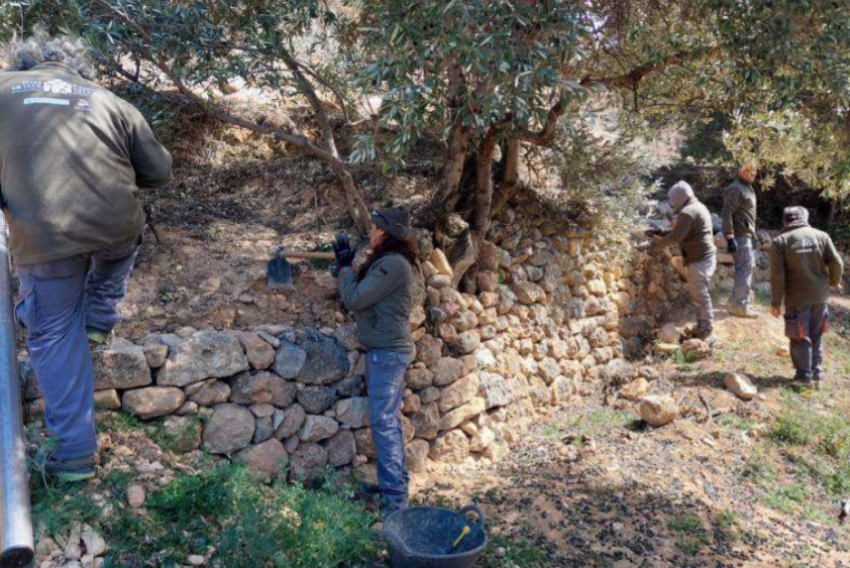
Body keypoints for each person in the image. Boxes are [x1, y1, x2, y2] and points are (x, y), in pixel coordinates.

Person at [0, 32, 172, 481]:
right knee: (117, 251)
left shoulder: (2, 90)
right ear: (73, 66)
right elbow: (159, 171)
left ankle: (74, 457)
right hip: (117, 228)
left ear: (23, 62)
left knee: (54, 332)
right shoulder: (109, 100)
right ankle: (97, 318)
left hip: (47, 240)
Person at [333, 206, 418, 516]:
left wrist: (344, 270)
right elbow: (361, 293)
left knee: (384, 425)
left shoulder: (393, 265)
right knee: (387, 424)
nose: (369, 232)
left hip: (387, 354)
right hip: (385, 353)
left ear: (385, 232)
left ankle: (395, 504)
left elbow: (354, 299)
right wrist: (345, 271)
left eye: (373, 228)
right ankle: (391, 489)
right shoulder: (389, 263)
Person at [769, 206, 844, 386]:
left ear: (785, 221)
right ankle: (816, 375)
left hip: (797, 298)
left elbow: (778, 276)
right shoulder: (821, 236)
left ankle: (803, 378)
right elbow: (837, 262)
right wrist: (833, 282)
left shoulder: (780, 241)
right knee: (816, 334)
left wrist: (776, 302)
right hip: (820, 297)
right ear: (805, 218)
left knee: (799, 337)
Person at [652, 181, 718, 341]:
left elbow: (676, 237)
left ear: (678, 198)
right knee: (699, 294)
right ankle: (703, 326)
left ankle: (706, 330)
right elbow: (685, 230)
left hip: (699, 259)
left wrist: (657, 244)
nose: (672, 204)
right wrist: (662, 232)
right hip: (705, 256)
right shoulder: (698, 206)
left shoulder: (688, 212)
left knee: (700, 295)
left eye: (672, 200)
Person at [722, 164, 759, 318]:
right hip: (739, 236)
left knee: (744, 269)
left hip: (746, 235)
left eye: (755, 171)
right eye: (749, 170)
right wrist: (730, 237)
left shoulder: (747, 188)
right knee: (745, 268)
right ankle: (740, 307)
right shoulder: (736, 188)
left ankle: (734, 303)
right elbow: (726, 213)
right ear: (740, 171)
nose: (753, 173)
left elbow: (746, 214)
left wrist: (753, 235)